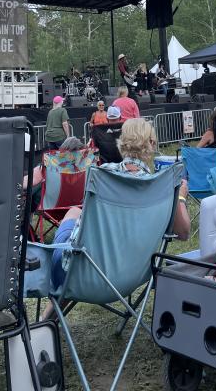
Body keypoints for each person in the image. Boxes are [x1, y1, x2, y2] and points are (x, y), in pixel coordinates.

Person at [46, 118, 190, 311]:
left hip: (86, 276)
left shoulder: (103, 176)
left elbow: (85, 228)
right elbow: (184, 233)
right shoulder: (164, 187)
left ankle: (47, 322)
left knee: (74, 213)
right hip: (135, 275)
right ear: (152, 144)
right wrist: (180, 197)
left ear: (122, 143)